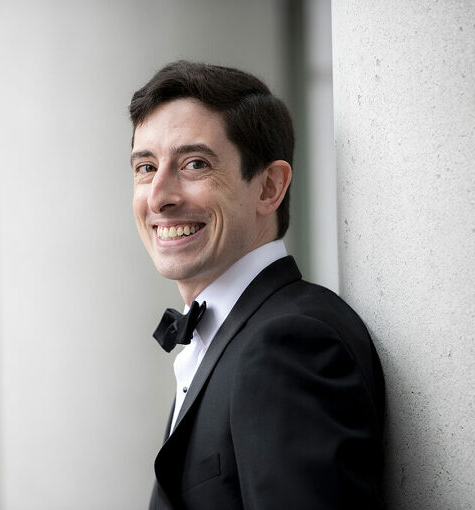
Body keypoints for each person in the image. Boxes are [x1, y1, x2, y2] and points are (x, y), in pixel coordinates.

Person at [129, 61, 385, 510]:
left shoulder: (289, 344)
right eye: (146, 166)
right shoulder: (242, 334)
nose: (159, 196)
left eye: (194, 163)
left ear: (269, 187)